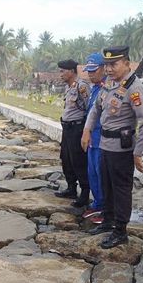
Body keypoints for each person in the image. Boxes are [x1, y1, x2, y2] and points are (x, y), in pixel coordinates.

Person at [83, 46, 143, 249]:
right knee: (106, 186)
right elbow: (95, 109)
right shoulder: (109, 84)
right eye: (106, 65)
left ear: (127, 63)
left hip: (122, 150)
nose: (109, 69)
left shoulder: (134, 88)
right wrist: (87, 130)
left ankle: (120, 230)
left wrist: (138, 152)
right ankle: (107, 221)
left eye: (113, 64)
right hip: (104, 145)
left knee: (121, 190)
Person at [54, 59, 91, 208]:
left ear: (71, 71)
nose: (60, 74)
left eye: (63, 71)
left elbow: (89, 109)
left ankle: (84, 193)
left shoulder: (82, 87)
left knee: (78, 160)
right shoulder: (69, 87)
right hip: (67, 128)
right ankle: (71, 188)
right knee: (66, 158)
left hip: (77, 128)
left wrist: (87, 131)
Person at [80, 53, 106, 224]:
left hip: (103, 139)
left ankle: (104, 208)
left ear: (103, 68)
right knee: (93, 174)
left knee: (102, 175)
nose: (90, 74)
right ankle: (97, 204)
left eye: (93, 70)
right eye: (88, 71)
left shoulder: (107, 88)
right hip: (92, 138)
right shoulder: (93, 89)